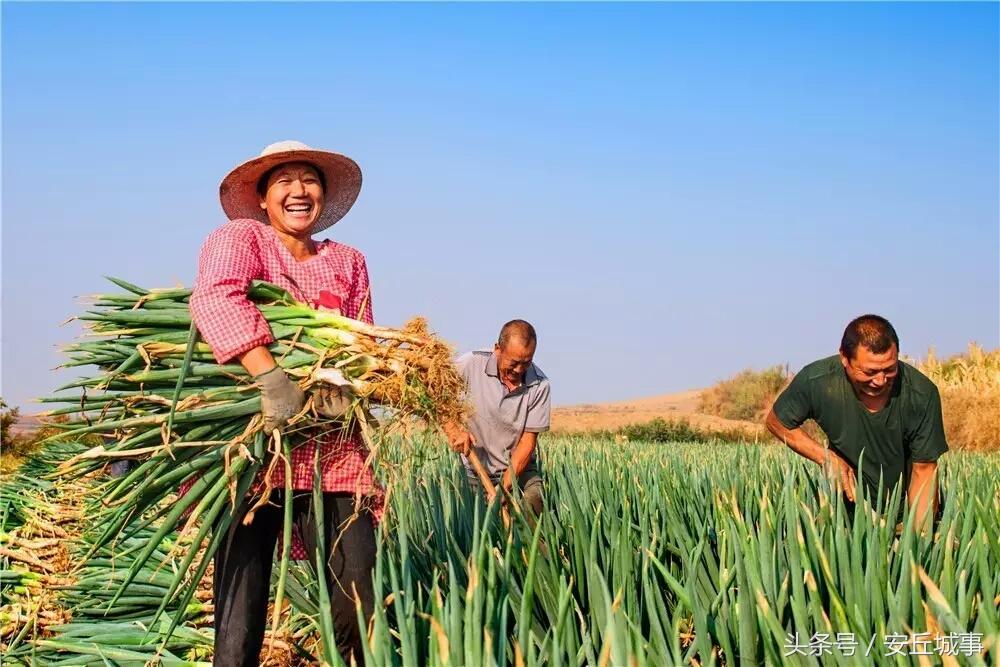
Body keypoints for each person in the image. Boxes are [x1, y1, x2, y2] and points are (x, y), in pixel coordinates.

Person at [188, 140, 378, 665]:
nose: (299, 191)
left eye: (309, 180)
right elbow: (216, 296)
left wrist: (353, 385)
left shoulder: (349, 261)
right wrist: (271, 378)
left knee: (359, 587)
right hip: (254, 443)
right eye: (285, 182)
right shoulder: (244, 238)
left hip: (333, 449)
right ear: (264, 198)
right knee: (241, 603)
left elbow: (362, 338)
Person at [765, 314, 948, 530]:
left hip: (905, 515)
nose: (880, 380)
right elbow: (777, 421)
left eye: (889, 369)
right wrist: (826, 457)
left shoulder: (921, 394)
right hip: (846, 518)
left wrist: (917, 540)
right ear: (844, 358)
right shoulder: (817, 382)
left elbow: (925, 470)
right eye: (869, 372)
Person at [444, 320, 551, 517]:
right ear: (497, 349)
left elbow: (528, 443)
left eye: (526, 362)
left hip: (518, 471)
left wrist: (504, 487)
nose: (519, 370)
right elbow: (439, 396)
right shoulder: (470, 364)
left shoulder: (540, 384)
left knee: (534, 500)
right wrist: (454, 431)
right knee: (474, 530)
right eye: (513, 363)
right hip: (475, 471)